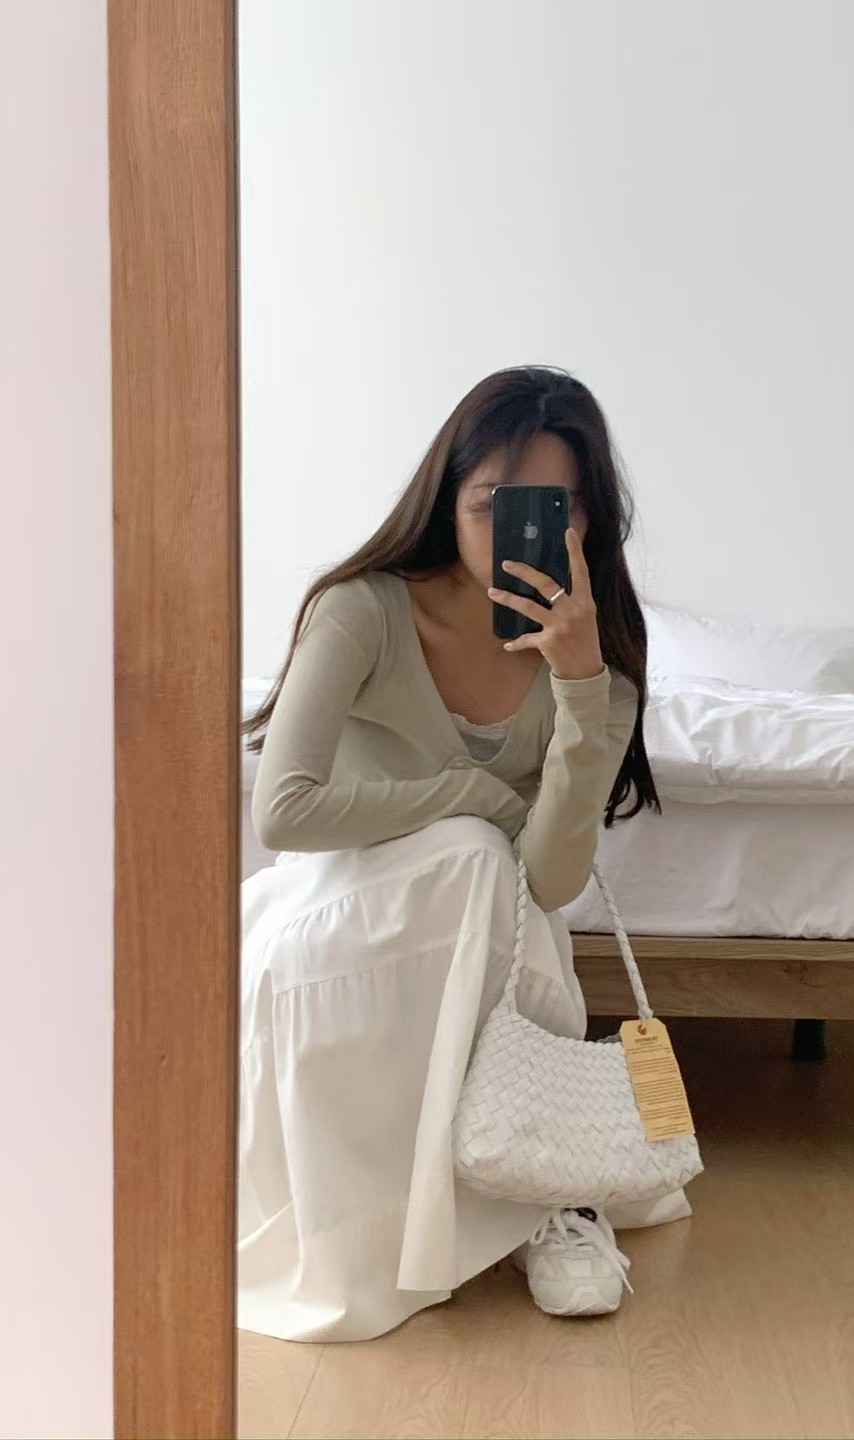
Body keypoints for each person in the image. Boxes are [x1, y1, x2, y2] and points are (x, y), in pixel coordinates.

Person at [238, 366, 680, 1344]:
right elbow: (286, 811)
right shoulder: (362, 610)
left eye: (554, 507)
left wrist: (578, 688)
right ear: (449, 501)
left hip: (491, 931)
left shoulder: (599, 668)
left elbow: (551, 880)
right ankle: (544, 1196)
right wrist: (471, 797)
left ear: (588, 520)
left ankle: (541, 1197)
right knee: (480, 851)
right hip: (334, 918)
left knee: (490, 871)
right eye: (491, 504)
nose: (517, 531)